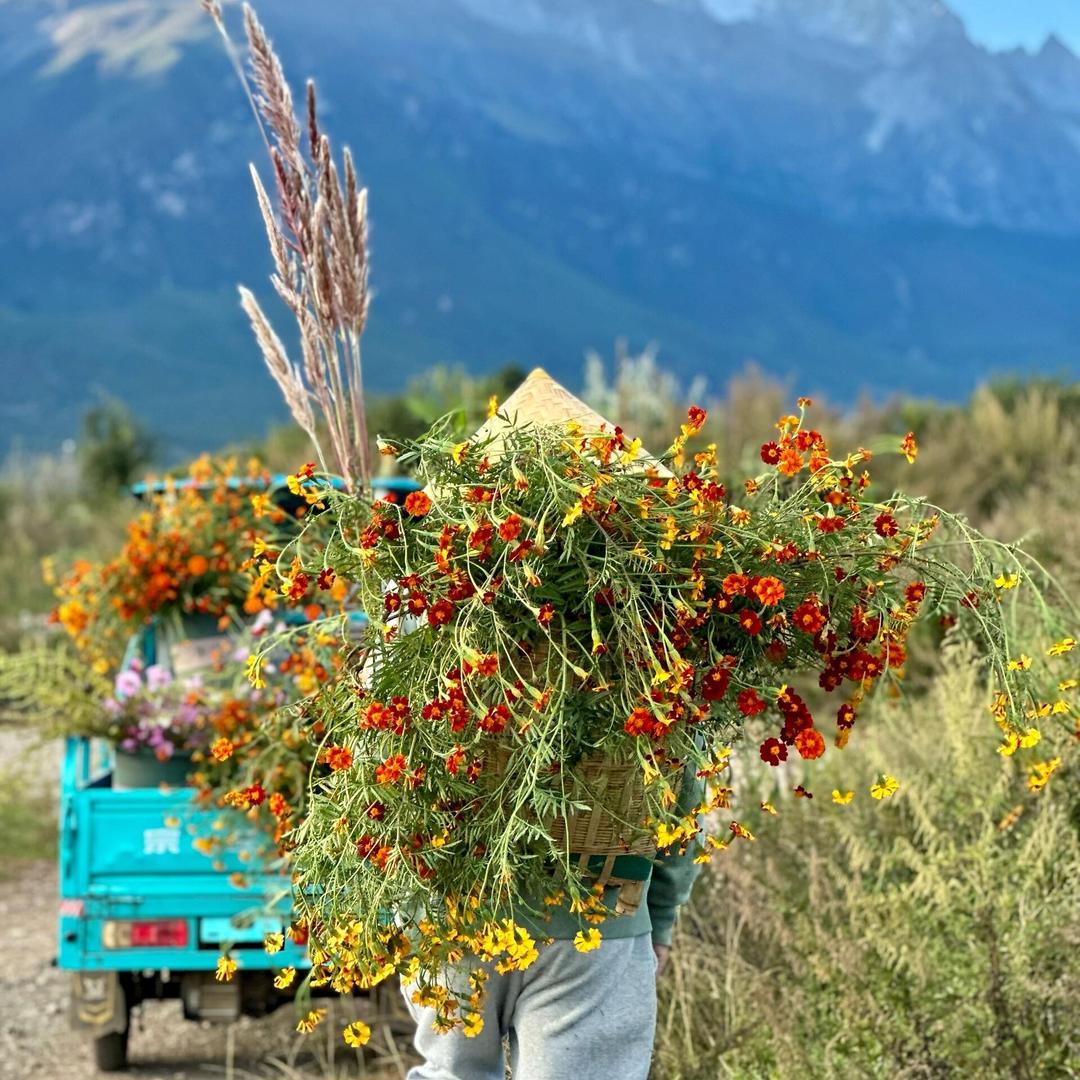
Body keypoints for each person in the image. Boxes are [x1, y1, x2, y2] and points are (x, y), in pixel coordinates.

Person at [402, 768, 704, 1080]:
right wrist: (660, 911)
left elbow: (377, 778)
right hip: (593, 919)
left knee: (451, 1073)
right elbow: (683, 782)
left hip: (451, 919)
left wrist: (401, 918)